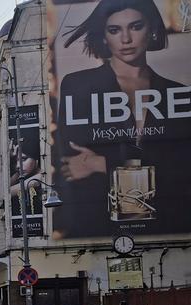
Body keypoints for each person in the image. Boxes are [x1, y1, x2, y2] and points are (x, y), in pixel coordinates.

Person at [54, 0, 191, 238]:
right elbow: (71, 161)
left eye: (136, 27)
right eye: (114, 30)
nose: (126, 39)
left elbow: (183, 168)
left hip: (171, 224)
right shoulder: (77, 86)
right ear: (104, 37)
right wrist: (153, 164)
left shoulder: (177, 92)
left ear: (152, 29)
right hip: (96, 226)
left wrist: (103, 163)